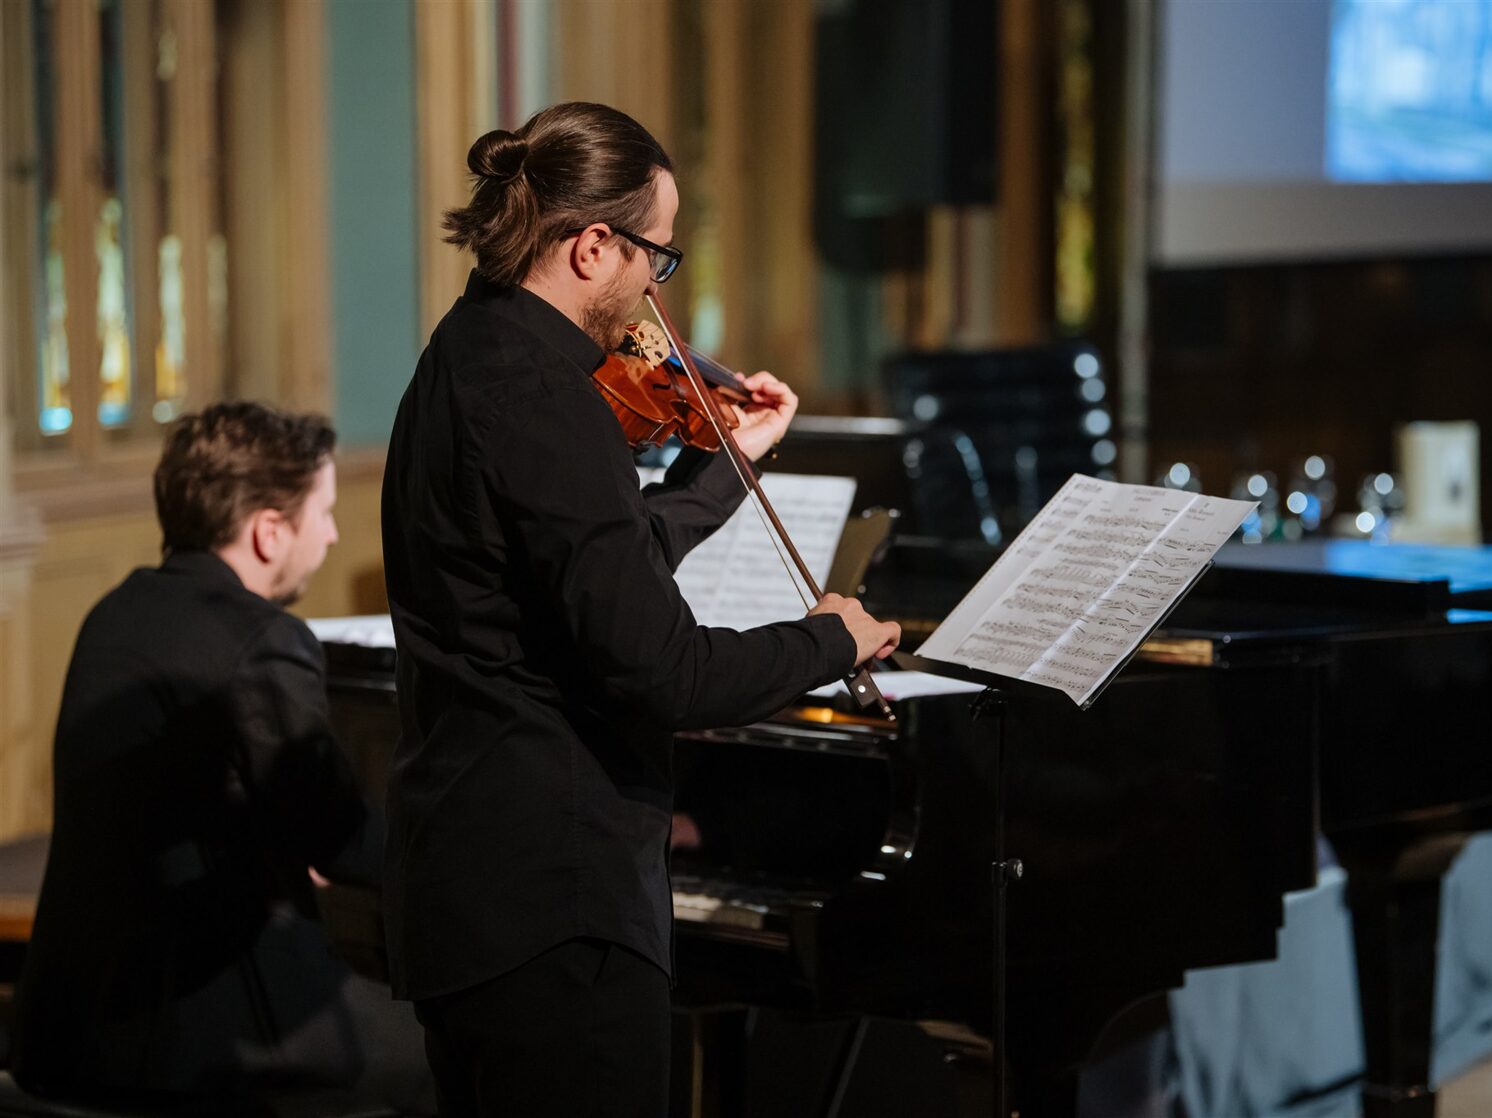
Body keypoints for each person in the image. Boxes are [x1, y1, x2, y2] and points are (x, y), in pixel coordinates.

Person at [381, 101, 900, 1117]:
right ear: (592, 247)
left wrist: (722, 463)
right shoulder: (548, 398)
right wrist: (830, 637)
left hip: (477, 891)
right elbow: (669, 672)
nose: (657, 290)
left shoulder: (468, 350)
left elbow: (597, 566)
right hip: (554, 905)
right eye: (656, 257)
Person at [12, 402, 433, 1115]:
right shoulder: (263, 641)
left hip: (66, 1027)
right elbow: (341, 839)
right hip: (201, 1038)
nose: (333, 533)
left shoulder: (115, 612)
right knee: (456, 1057)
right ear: (269, 531)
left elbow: (183, 796)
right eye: (323, 512)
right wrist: (467, 855)